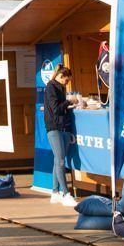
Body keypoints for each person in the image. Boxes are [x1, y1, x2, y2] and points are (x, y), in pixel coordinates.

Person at [42, 63, 77, 206]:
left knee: (58, 160)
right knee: (61, 160)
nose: (67, 83)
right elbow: (56, 109)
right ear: (61, 76)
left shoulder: (59, 87)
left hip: (61, 126)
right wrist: (68, 101)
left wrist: (68, 105)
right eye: (66, 80)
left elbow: (58, 108)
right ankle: (66, 193)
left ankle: (55, 192)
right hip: (54, 127)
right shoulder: (51, 87)